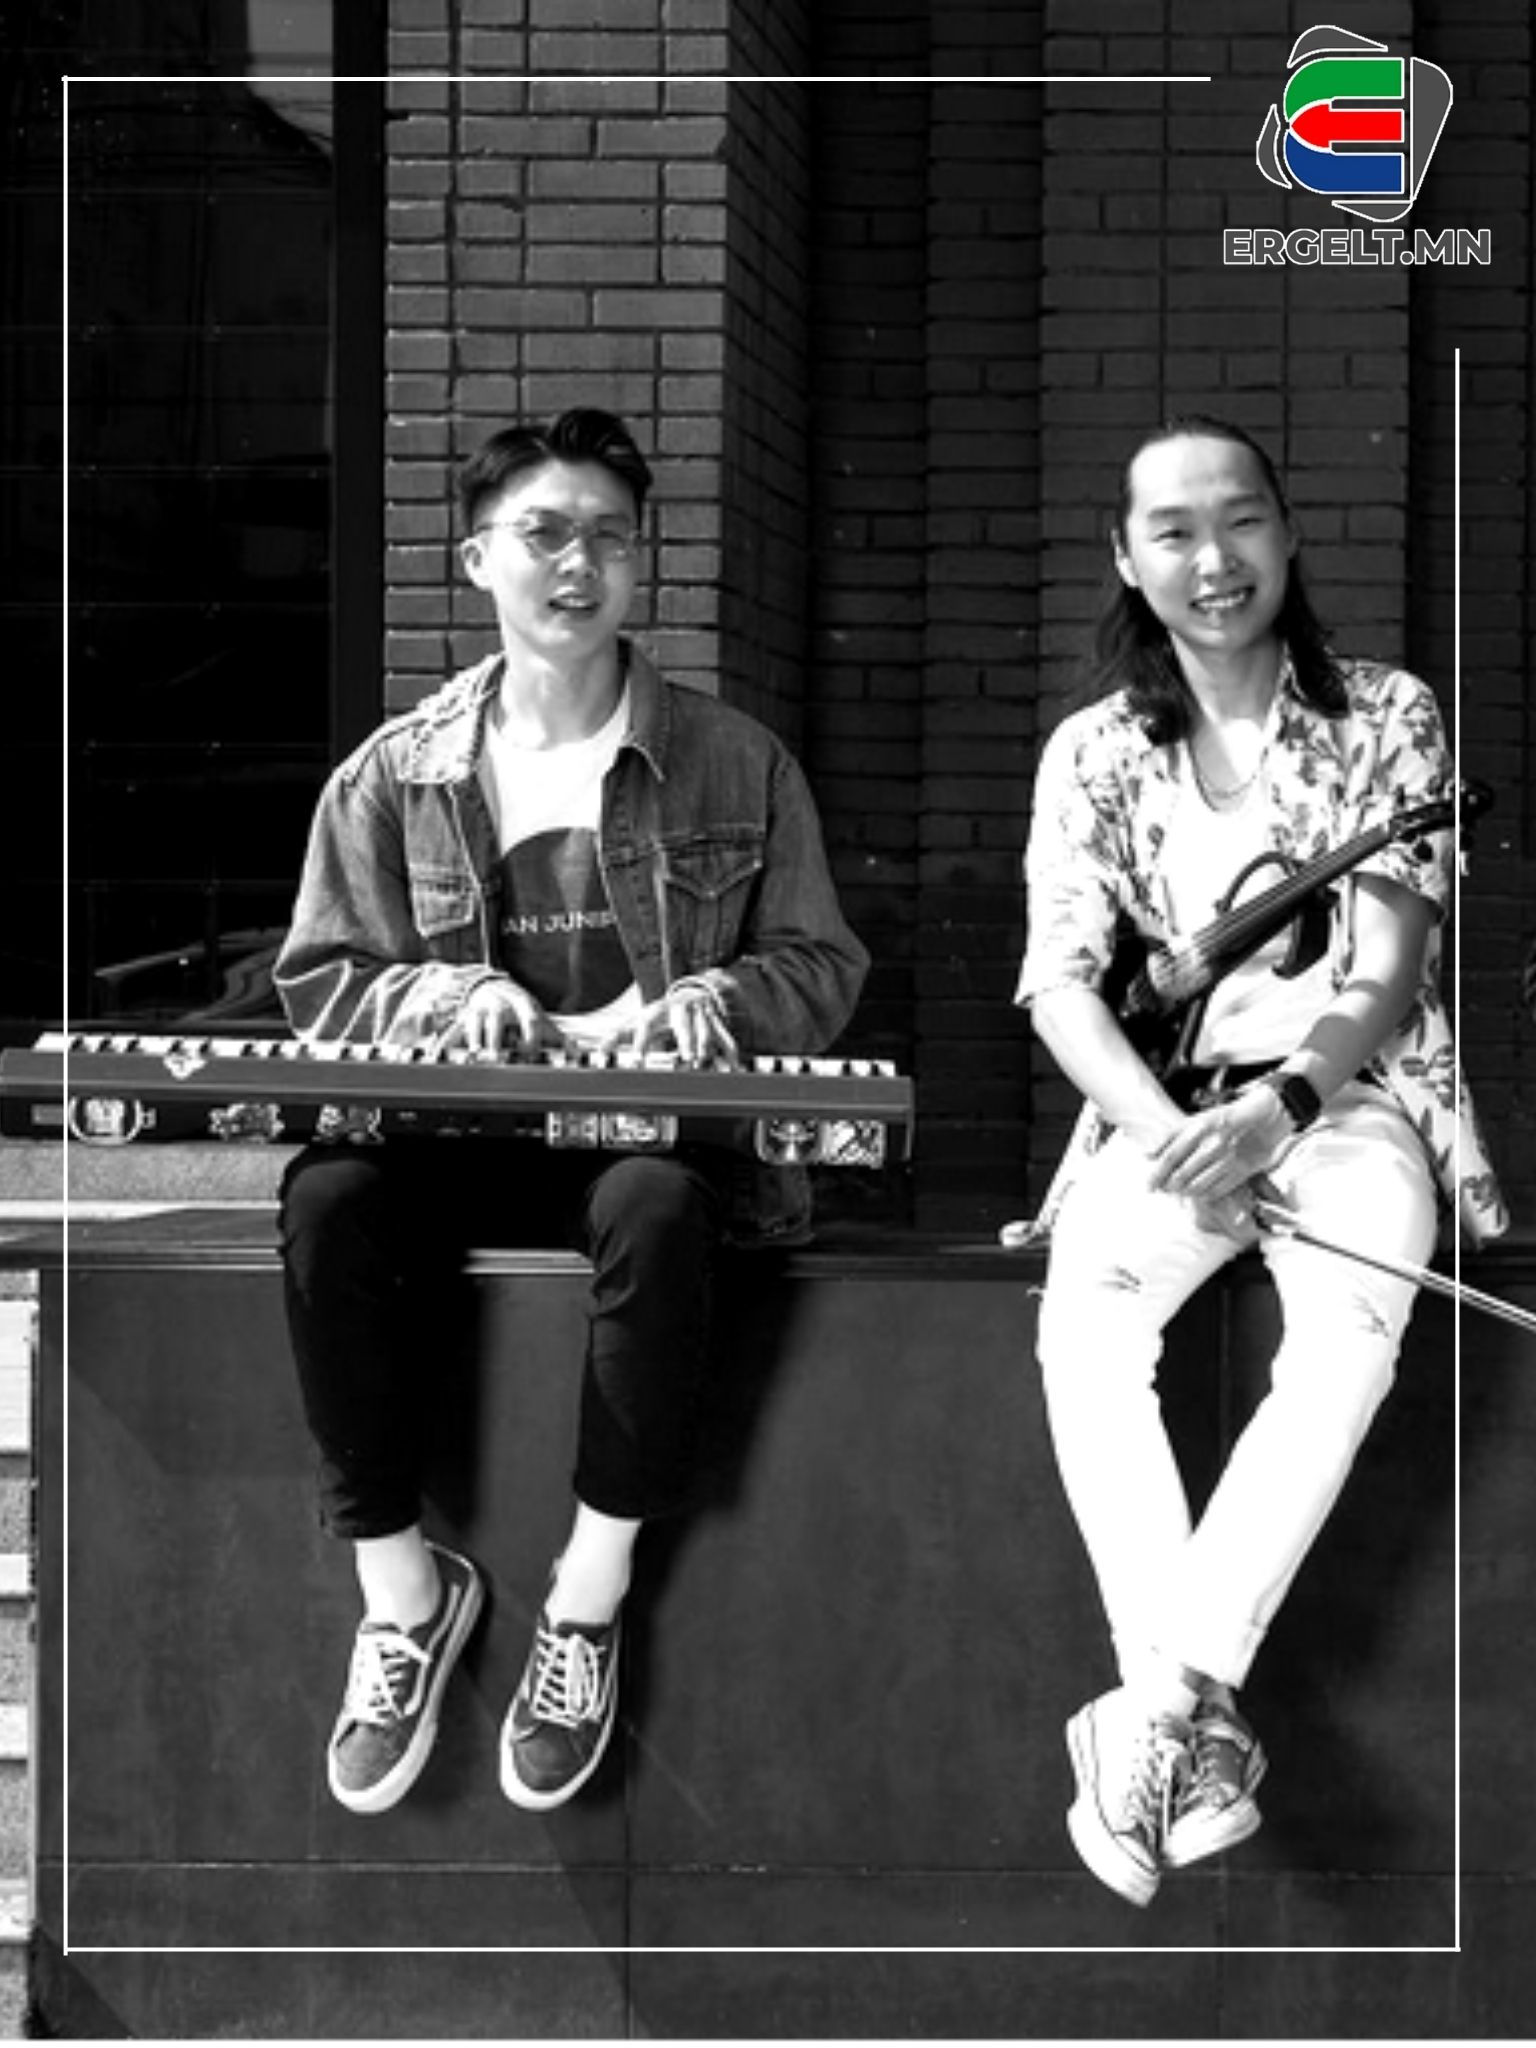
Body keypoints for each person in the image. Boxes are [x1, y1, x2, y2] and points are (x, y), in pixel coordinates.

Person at [274, 407, 868, 1817]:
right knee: (327, 1198)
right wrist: (446, 996)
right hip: (455, 1144)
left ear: (640, 562)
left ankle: (584, 1604)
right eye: (542, 532)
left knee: (659, 1211)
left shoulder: (737, 764)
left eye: (608, 535)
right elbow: (319, 980)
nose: (577, 562)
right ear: (477, 557)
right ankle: (405, 1600)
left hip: (643, 1145)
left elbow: (821, 965)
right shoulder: (395, 773)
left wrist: (710, 1003)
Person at [1011, 414, 1507, 1908]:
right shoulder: (1095, 750)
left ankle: (1157, 1707)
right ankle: (1187, 1719)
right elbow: (1063, 988)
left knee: (1350, 1325)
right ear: (1127, 558)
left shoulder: (1387, 715)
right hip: (1165, 1116)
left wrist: (1282, 1108)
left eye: (1240, 521)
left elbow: (1389, 964)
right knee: (1089, 1317)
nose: (1213, 559)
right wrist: (1174, 1137)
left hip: (1341, 1105)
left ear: (1287, 535)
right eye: (1173, 531)